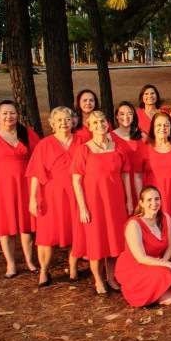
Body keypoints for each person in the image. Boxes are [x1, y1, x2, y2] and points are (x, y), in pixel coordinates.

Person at [0, 100, 40, 279]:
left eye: (12, 113)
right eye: (4, 113)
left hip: (25, 185)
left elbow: (40, 157)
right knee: (6, 226)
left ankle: (29, 260)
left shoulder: (26, 133)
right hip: (0, 188)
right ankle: (11, 263)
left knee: (26, 226)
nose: (8, 116)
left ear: (17, 115)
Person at [71, 110, 132, 295]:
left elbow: (125, 175)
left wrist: (129, 200)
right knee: (96, 242)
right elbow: (76, 180)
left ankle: (111, 278)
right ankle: (98, 279)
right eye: (95, 122)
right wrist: (82, 207)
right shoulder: (84, 149)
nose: (100, 125)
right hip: (94, 202)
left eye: (103, 121)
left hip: (114, 201)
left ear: (108, 123)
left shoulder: (118, 147)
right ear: (89, 126)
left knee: (114, 241)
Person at [28, 107, 80, 286]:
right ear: (52, 124)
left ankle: (73, 267)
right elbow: (35, 173)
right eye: (59, 120)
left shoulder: (81, 141)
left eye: (67, 119)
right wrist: (33, 198)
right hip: (51, 194)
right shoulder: (45, 144)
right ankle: (44, 270)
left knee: (76, 230)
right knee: (47, 234)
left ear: (73, 121)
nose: (63, 123)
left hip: (75, 193)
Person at [115, 186, 171, 307]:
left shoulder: (166, 218)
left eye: (157, 199)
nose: (154, 203)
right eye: (149, 200)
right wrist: (167, 264)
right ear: (141, 203)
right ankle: (146, 292)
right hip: (136, 266)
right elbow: (141, 258)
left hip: (158, 261)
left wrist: (165, 262)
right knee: (169, 290)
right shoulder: (134, 224)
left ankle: (160, 288)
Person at [110, 102, 146, 211]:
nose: (126, 117)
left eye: (129, 113)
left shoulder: (142, 135)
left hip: (140, 181)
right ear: (116, 116)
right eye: (122, 114)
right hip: (121, 182)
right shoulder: (110, 137)